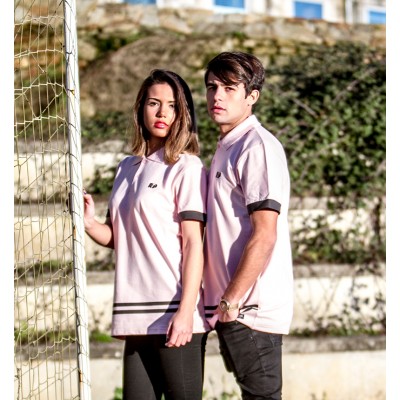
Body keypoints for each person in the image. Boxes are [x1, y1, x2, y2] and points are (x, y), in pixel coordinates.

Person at [83, 69, 209, 400]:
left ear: (183, 113)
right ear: (141, 108)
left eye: (172, 105)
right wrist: (89, 223)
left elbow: (193, 244)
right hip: (135, 313)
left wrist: (186, 312)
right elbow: (119, 238)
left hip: (174, 311)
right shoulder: (126, 167)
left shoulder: (186, 167)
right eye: (154, 103)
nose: (162, 112)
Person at [202, 51, 294, 400]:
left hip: (249, 309)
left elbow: (265, 233)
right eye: (212, 87)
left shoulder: (257, 146)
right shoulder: (229, 145)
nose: (218, 96)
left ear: (252, 96)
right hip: (234, 309)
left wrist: (231, 301)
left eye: (229, 88)